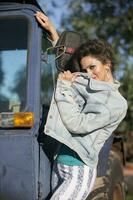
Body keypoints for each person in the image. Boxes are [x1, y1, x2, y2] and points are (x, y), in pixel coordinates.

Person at [35, 12, 128, 200]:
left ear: (107, 64)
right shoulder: (88, 81)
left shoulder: (116, 103)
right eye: (85, 69)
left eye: (92, 67)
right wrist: (53, 31)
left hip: (79, 170)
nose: (88, 73)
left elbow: (78, 124)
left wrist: (64, 88)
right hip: (59, 163)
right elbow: (67, 65)